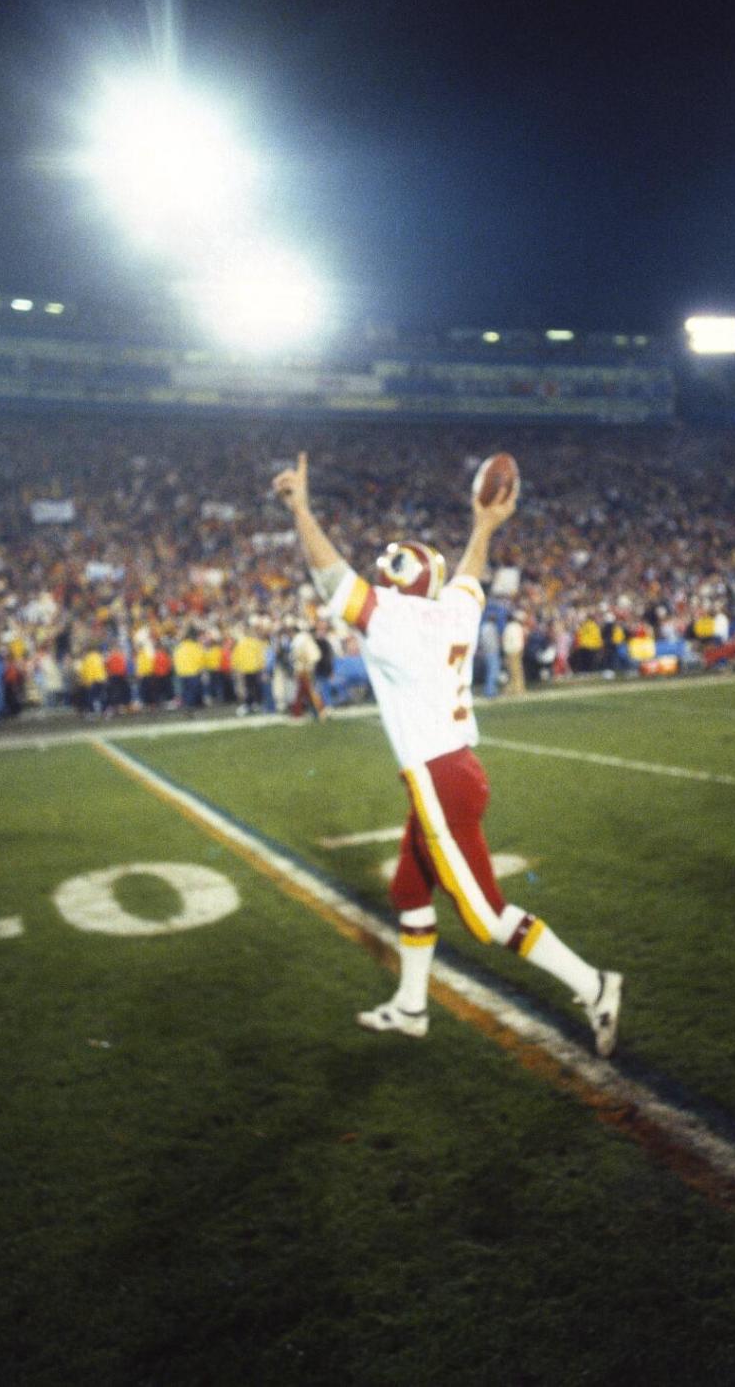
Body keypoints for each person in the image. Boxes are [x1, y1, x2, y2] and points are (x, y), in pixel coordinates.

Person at [273, 452, 623, 1057]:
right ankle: (411, 1007)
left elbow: (330, 576)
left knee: (486, 917)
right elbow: (470, 572)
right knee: (410, 891)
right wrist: (484, 525)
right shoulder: (452, 609)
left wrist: (301, 510)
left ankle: (593, 984)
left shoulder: (397, 621)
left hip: (439, 776)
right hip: (457, 768)